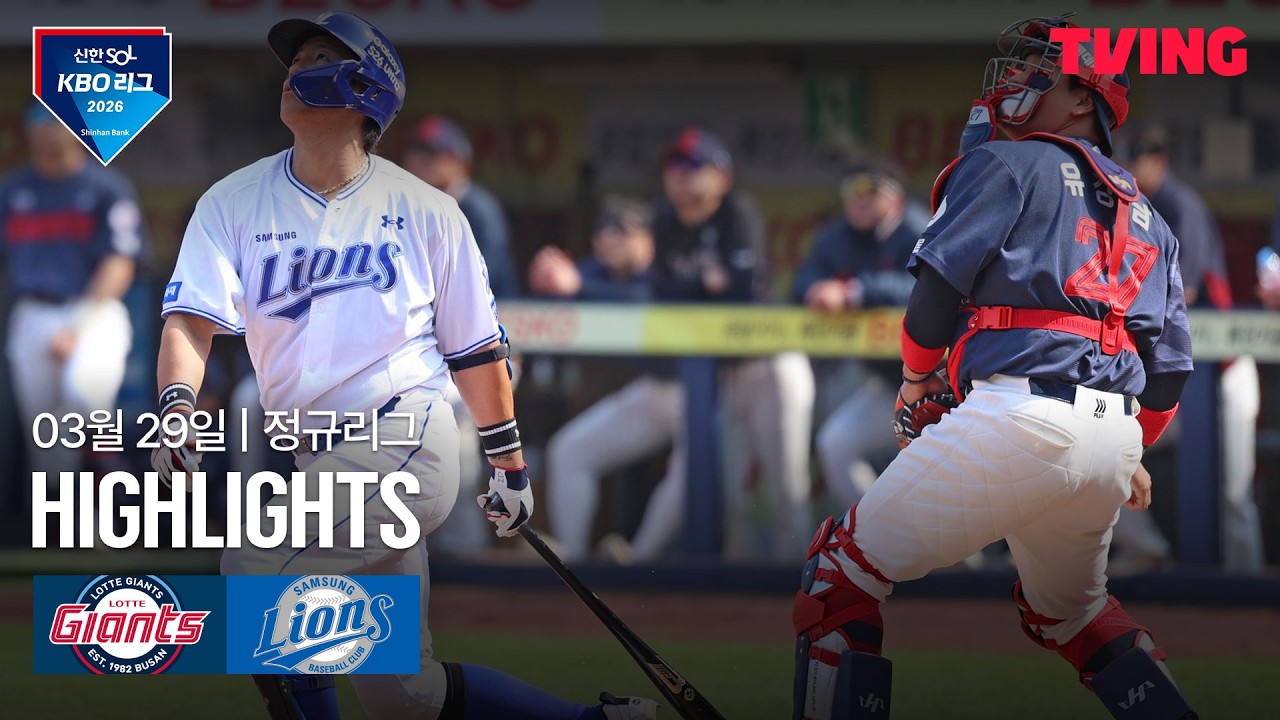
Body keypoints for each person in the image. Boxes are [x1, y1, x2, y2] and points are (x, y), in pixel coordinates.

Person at [152, 11, 655, 720]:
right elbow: (190, 323)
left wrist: (508, 464)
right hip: (318, 462)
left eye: (319, 57)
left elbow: (475, 349)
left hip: (404, 437)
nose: (295, 71)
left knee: (253, 568)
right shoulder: (230, 203)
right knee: (405, 697)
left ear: (365, 91)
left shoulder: (428, 211)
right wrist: (177, 404)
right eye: (294, 60)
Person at [792, 14, 1199, 719]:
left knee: (838, 576)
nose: (1015, 77)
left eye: (1040, 68)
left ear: (1083, 99)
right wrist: (1132, 446)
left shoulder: (1008, 162)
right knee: (1072, 616)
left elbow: (934, 300)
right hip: (1110, 436)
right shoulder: (1148, 215)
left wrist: (917, 381)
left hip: (1020, 417)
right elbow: (1167, 372)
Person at [648, 127, 814, 562]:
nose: (680, 176)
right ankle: (739, 616)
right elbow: (659, 291)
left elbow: (740, 286)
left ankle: (805, 594)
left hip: (770, 364)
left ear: (722, 175)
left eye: (692, 166)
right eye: (674, 166)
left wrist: (693, 287)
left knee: (785, 492)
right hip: (723, 372)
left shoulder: (737, 213)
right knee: (731, 495)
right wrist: (705, 282)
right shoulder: (664, 219)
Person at [1115, 125, 1264, 575]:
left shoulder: (1179, 206)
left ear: (1158, 162)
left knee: (1233, 492)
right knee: (1114, 451)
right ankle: (1151, 551)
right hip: (1182, 378)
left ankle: (1247, 594)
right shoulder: (1144, 209)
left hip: (1223, 370)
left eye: (1136, 161)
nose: (1129, 169)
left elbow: (1185, 291)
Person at [1, 103, 145, 532]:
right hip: (31, 313)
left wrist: (76, 325)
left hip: (94, 312)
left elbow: (121, 263)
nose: (45, 132)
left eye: (53, 123)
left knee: (84, 399)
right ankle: (56, 534)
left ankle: (107, 506)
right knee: (44, 437)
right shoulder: (12, 190)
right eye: (37, 123)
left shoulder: (105, 186)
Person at [403, 114, 519, 557]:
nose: (420, 163)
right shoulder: (405, 208)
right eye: (416, 153)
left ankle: (466, 553)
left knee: (458, 439)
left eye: (433, 155)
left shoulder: (476, 209)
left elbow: (474, 298)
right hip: (432, 354)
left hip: (484, 349)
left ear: (460, 161)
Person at [527, 198, 664, 562]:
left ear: (648, 239)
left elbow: (644, 301)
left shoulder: (666, 269)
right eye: (602, 230)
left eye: (621, 230)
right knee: (568, 451)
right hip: (643, 400)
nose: (607, 238)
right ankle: (572, 560)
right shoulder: (596, 273)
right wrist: (549, 282)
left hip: (697, 398)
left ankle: (655, 564)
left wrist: (574, 287)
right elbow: (566, 288)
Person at [791, 159, 923, 508]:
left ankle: (969, 561)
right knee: (836, 443)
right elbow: (803, 279)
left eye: (871, 192)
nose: (859, 201)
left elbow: (924, 287)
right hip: (893, 384)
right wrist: (816, 290)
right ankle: (887, 543)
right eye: (852, 192)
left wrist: (854, 292)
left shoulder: (920, 228)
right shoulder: (839, 235)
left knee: (940, 478)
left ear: (895, 199)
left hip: (949, 384)